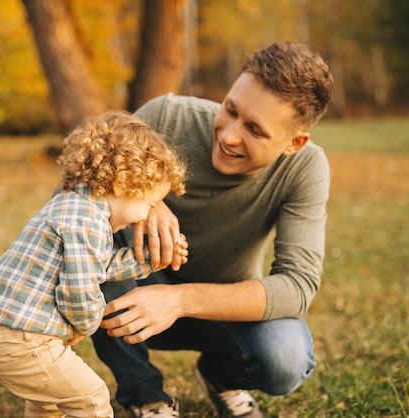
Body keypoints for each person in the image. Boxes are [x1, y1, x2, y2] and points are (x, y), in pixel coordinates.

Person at [91, 41, 335, 418]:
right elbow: (73, 199)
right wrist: (144, 203)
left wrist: (178, 301)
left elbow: (297, 286)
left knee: (285, 357)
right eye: (231, 109)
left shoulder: (306, 169)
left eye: (255, 129)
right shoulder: (166, 117)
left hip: (220, 307)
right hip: (132, 293)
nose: (229, 135)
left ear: (294, 143)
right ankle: (146, 396)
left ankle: (221, 377)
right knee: (91, 258)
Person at [0, 111, 187, 418]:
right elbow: (79, 297)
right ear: (124, 183)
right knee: (92, 398)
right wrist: (86, 325)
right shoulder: (87, 222)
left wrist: (149, 260)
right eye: (150, 204)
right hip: (20, 341)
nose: (145, 216)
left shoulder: (75, 205)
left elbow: (101, 267)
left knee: (50, 402)